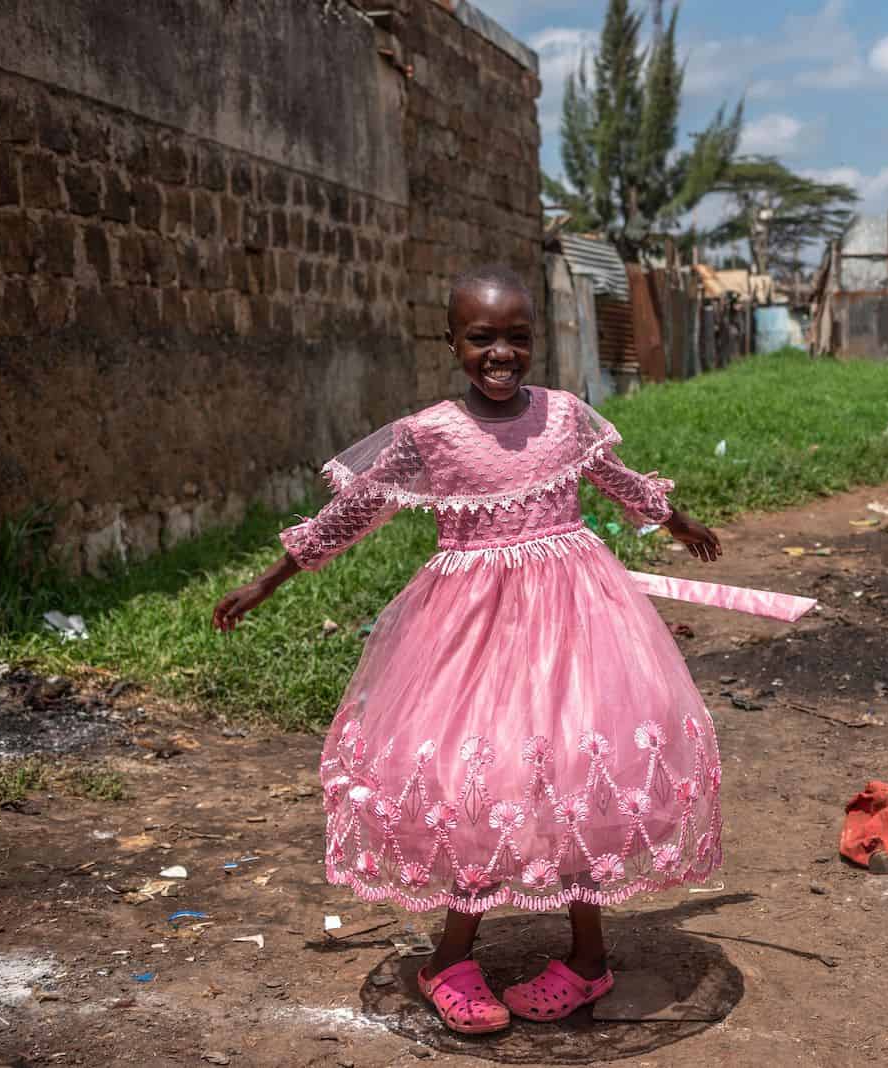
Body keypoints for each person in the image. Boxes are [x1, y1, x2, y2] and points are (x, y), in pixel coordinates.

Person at [212, 264, 724, 1035]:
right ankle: (448, 957)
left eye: (518, 337)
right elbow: (353, 513)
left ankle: (589, 960)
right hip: (472, 642)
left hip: (579, 628)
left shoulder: (565, 415)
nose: (501, 353)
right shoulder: (430, 435)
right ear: (451, 341)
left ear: (535, 341)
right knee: (475, 785)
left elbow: (611, 476)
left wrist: (674, 521)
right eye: (481, 337)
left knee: (576, 768)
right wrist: (270, 580)